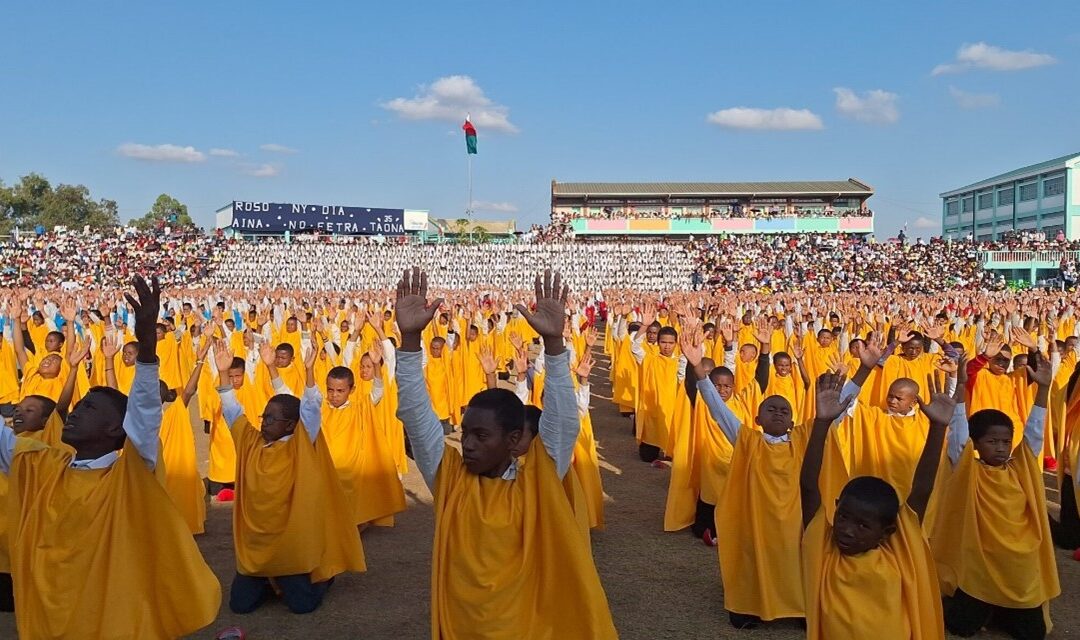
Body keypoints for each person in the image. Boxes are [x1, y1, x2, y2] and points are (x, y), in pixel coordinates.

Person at [394, 267, 617, 639]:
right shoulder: (449, 476)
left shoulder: (541, 476)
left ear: (515, 441)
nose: (467, 444)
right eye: (466, 433)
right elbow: (416, 414)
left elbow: (563, 420)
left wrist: (556, 346)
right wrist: (410, 338)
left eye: (481, 436)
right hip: (465, 627)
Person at [0, 276, 221, 638]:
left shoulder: (130, 476)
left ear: (115, 430)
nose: (75, 411)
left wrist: (147, 344)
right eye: (81, 405)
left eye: (90, 408)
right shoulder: (43, 464)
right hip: (52, 617)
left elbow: (145, 414)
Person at [215, 336, 366, 614]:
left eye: (271, 419)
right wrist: (223, 372)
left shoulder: (300, 446)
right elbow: (231, 410)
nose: (264, 422)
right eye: (263, 417)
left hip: (288, 548)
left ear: (289, 425)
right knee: (239, 606)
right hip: (256, 550)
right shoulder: (250, 442)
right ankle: (265, 582)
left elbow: (309, 409)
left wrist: (309, 373)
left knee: (302, 607)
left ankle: (322, 578)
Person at [800, 371, 951, 640]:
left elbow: (922, 489)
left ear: (887, 532)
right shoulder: (824, 547)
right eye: (843, 517)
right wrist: (822, 422)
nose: (847, 530)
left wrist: (938, 428)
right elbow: (809, 486)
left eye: (862, 525)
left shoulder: (899, 550)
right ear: (835, 507)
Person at [684, 326, 814, 629]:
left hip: (793, 521)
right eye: (771, 409)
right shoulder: (748, 440)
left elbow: (834, 415)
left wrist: (863, 371)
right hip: (756, 518)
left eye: (784, 410)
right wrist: (698, 371)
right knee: (754, 560)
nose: (779, 413)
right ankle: (749, 606)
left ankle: (798, 608)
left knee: (794, 561)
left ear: (793, 420)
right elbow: (719, 411)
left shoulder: (803, 440)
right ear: (757, 419)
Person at [933, 352, 1061, 639]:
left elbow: (1035, 433)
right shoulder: (969, 471)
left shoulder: (1021, 468)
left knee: (1032, 633)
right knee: (961, 627)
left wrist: (1042, 389)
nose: (1001, 448)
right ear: (976, 445)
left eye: (1005, 441)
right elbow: (957, 434)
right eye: (992, 442)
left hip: (1019, 568)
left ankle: (1004, 611)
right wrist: (961, 387)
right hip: (980, 569)